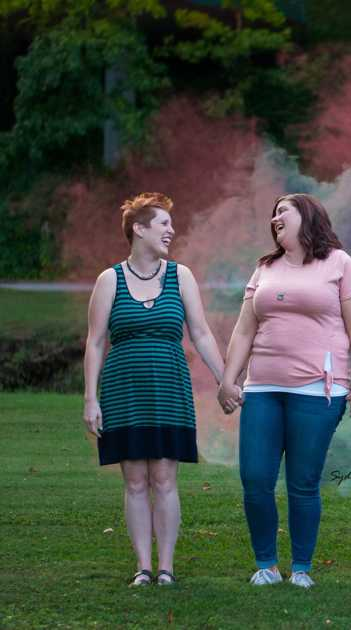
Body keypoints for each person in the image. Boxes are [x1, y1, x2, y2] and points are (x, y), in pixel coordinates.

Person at [217, 193, 351, 588]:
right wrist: (229, 378)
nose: (275, 218)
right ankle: (266, 565)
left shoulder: (339, 263)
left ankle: (301, 568)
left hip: (318, 390)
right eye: (273, 214)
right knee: (256, 479)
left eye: (283, 211)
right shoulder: (265, 268)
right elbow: (244, 329)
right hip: (262, 387)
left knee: (303, 482)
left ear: (307, 215)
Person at [83, 192, 225, 586]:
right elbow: (95, 342)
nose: (171, 231)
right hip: (123, 390)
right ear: (139, 229)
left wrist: (225, 378)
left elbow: (201, 333)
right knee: (134, 481)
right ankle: (143, 568)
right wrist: (91, 398)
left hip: (169, 388)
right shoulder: (109, 280)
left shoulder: (181, 276)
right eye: (163, 224)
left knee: (164, 478)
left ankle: (166, 568)